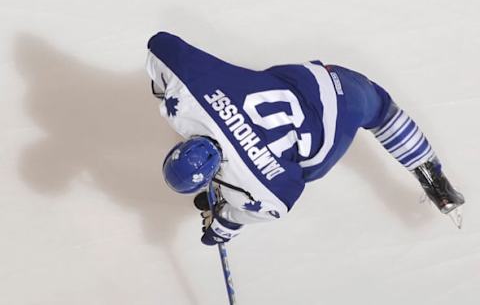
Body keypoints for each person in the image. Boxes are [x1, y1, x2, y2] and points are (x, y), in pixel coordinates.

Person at [145, 32, 465, 245]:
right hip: (319, 79)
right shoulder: (187, 102)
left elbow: (277, 203)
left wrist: (222, 225)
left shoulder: (259, 186)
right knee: (382, 109)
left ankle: (429, 174)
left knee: (311, 165)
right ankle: (434, 179)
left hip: (329, 126)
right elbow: (160, 44)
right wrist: (164, 89)